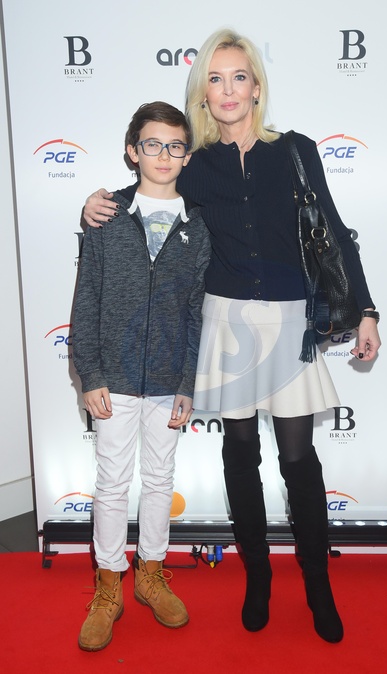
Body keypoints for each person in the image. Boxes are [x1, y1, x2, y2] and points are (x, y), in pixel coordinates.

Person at [82, 29, 381, 644]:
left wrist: (368, 310)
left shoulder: (294, 151)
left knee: (299, 461)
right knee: (240, 458)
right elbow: (148, 193)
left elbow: (333, 229)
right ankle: (258, 579)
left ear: (256, 87)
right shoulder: (195, 165)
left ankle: (318, 584)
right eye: (214, 79)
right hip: (225, 323)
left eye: (238, 77)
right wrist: (94, 204)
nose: (227, 90)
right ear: (203, 92)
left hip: (291, 322)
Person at [72, 101, 211, 651]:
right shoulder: (105, 215)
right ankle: (109, 586)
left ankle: (151, 573)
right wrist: (90, 374)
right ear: (133, 151)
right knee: (111, 482)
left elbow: (197, 311)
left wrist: (187, 383)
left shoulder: (199, 223)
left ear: (187, 155)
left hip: (168, 378)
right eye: (152, 144)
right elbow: (86, 298)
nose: (164, 155)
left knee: (159, 479)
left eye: (175, 145)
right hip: (113, 376)